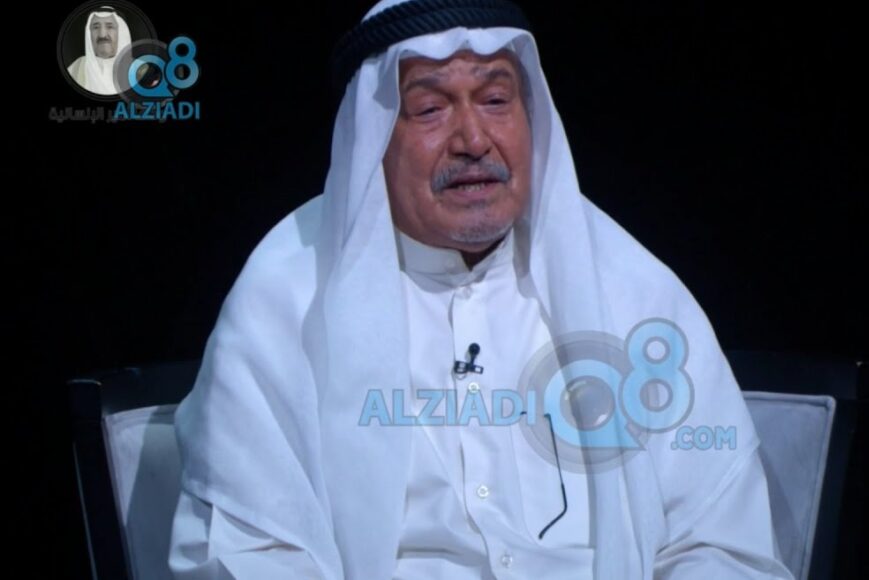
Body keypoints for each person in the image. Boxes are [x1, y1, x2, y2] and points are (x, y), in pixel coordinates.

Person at [169, 0, 794, 578]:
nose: (472, 140)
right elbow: (247, 551)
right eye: (430, 109)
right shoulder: (285, 297)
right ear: (373, 135)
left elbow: (718, 541)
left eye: (496, 100)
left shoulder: (632, 290)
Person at [66, 6, 131, 95]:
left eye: (110, 27)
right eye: (96, 27)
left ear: (122, 32)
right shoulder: (76, 68)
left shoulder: (139, 69)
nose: (102, 34)